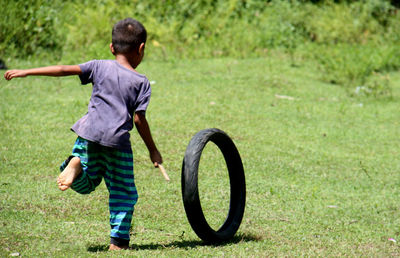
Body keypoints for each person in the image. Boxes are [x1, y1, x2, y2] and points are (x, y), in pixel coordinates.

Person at [4, 18, 162, 250]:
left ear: (111, 47)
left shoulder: (99, 66)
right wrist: (153, 150)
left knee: (86, 184)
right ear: (141, 49)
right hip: (117, 143)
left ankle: (75, 162)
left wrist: (27, 71)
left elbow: (63, 69)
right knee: (123, 194)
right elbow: (139, 119)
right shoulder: (141, 82)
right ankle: (118, 243)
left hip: (88, 135)